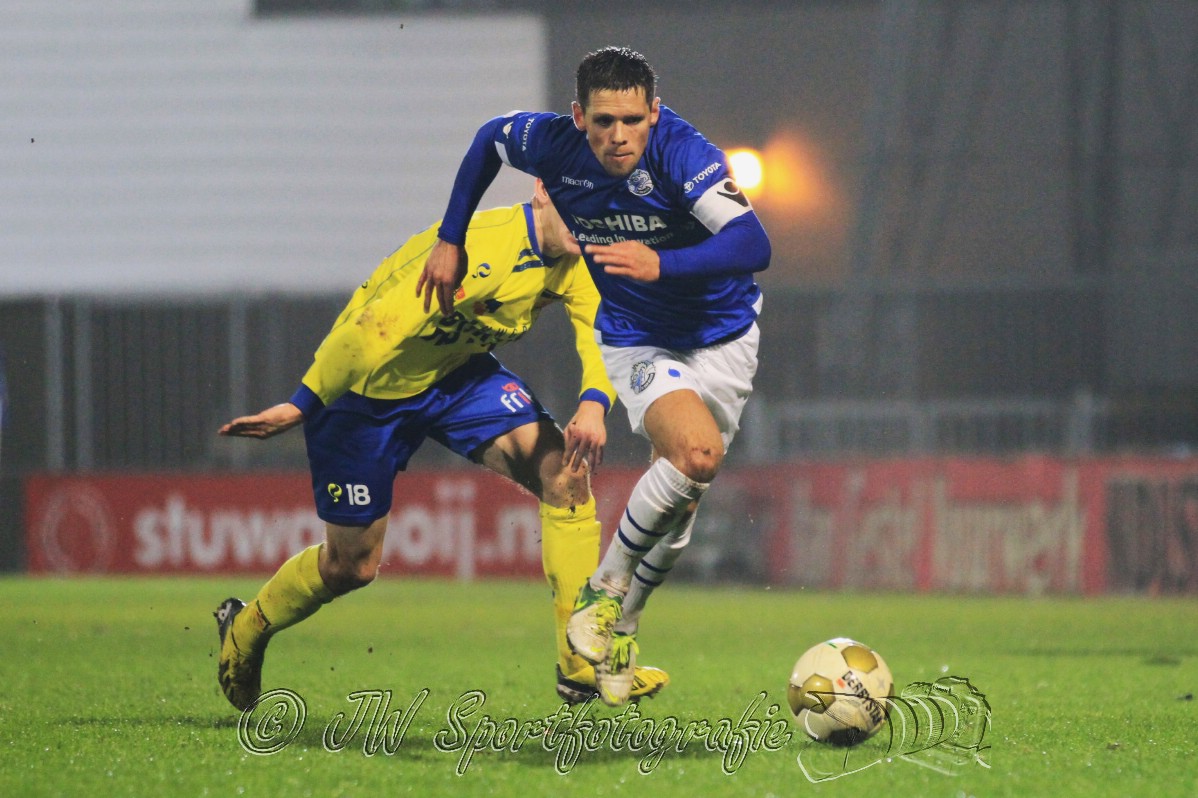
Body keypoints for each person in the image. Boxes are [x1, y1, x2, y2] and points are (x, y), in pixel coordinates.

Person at [213, 180, 668, 711]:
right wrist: (302, 404)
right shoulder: (480, 248)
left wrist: (594, 402)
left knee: (565, 475)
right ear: (542, 192)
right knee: (351, 567)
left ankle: (578, 661)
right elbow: (372, 331)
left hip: (454, 376)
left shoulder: (577, 256)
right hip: (365, 390)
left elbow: (599, 330)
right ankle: (244, 628)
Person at [421, 46, 770, 706]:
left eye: (632, 121)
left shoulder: (683, 153)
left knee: (683, 501)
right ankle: (603, 594)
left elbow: (755, 245)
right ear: (579, 117)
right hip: (637, 338)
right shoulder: (551, 144)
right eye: (604, 121)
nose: (618, 136)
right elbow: (487, 141)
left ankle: (624, 626)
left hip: (723, 339)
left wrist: (662, 265)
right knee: (695, 456)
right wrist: (451, 235)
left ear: (654, 114)